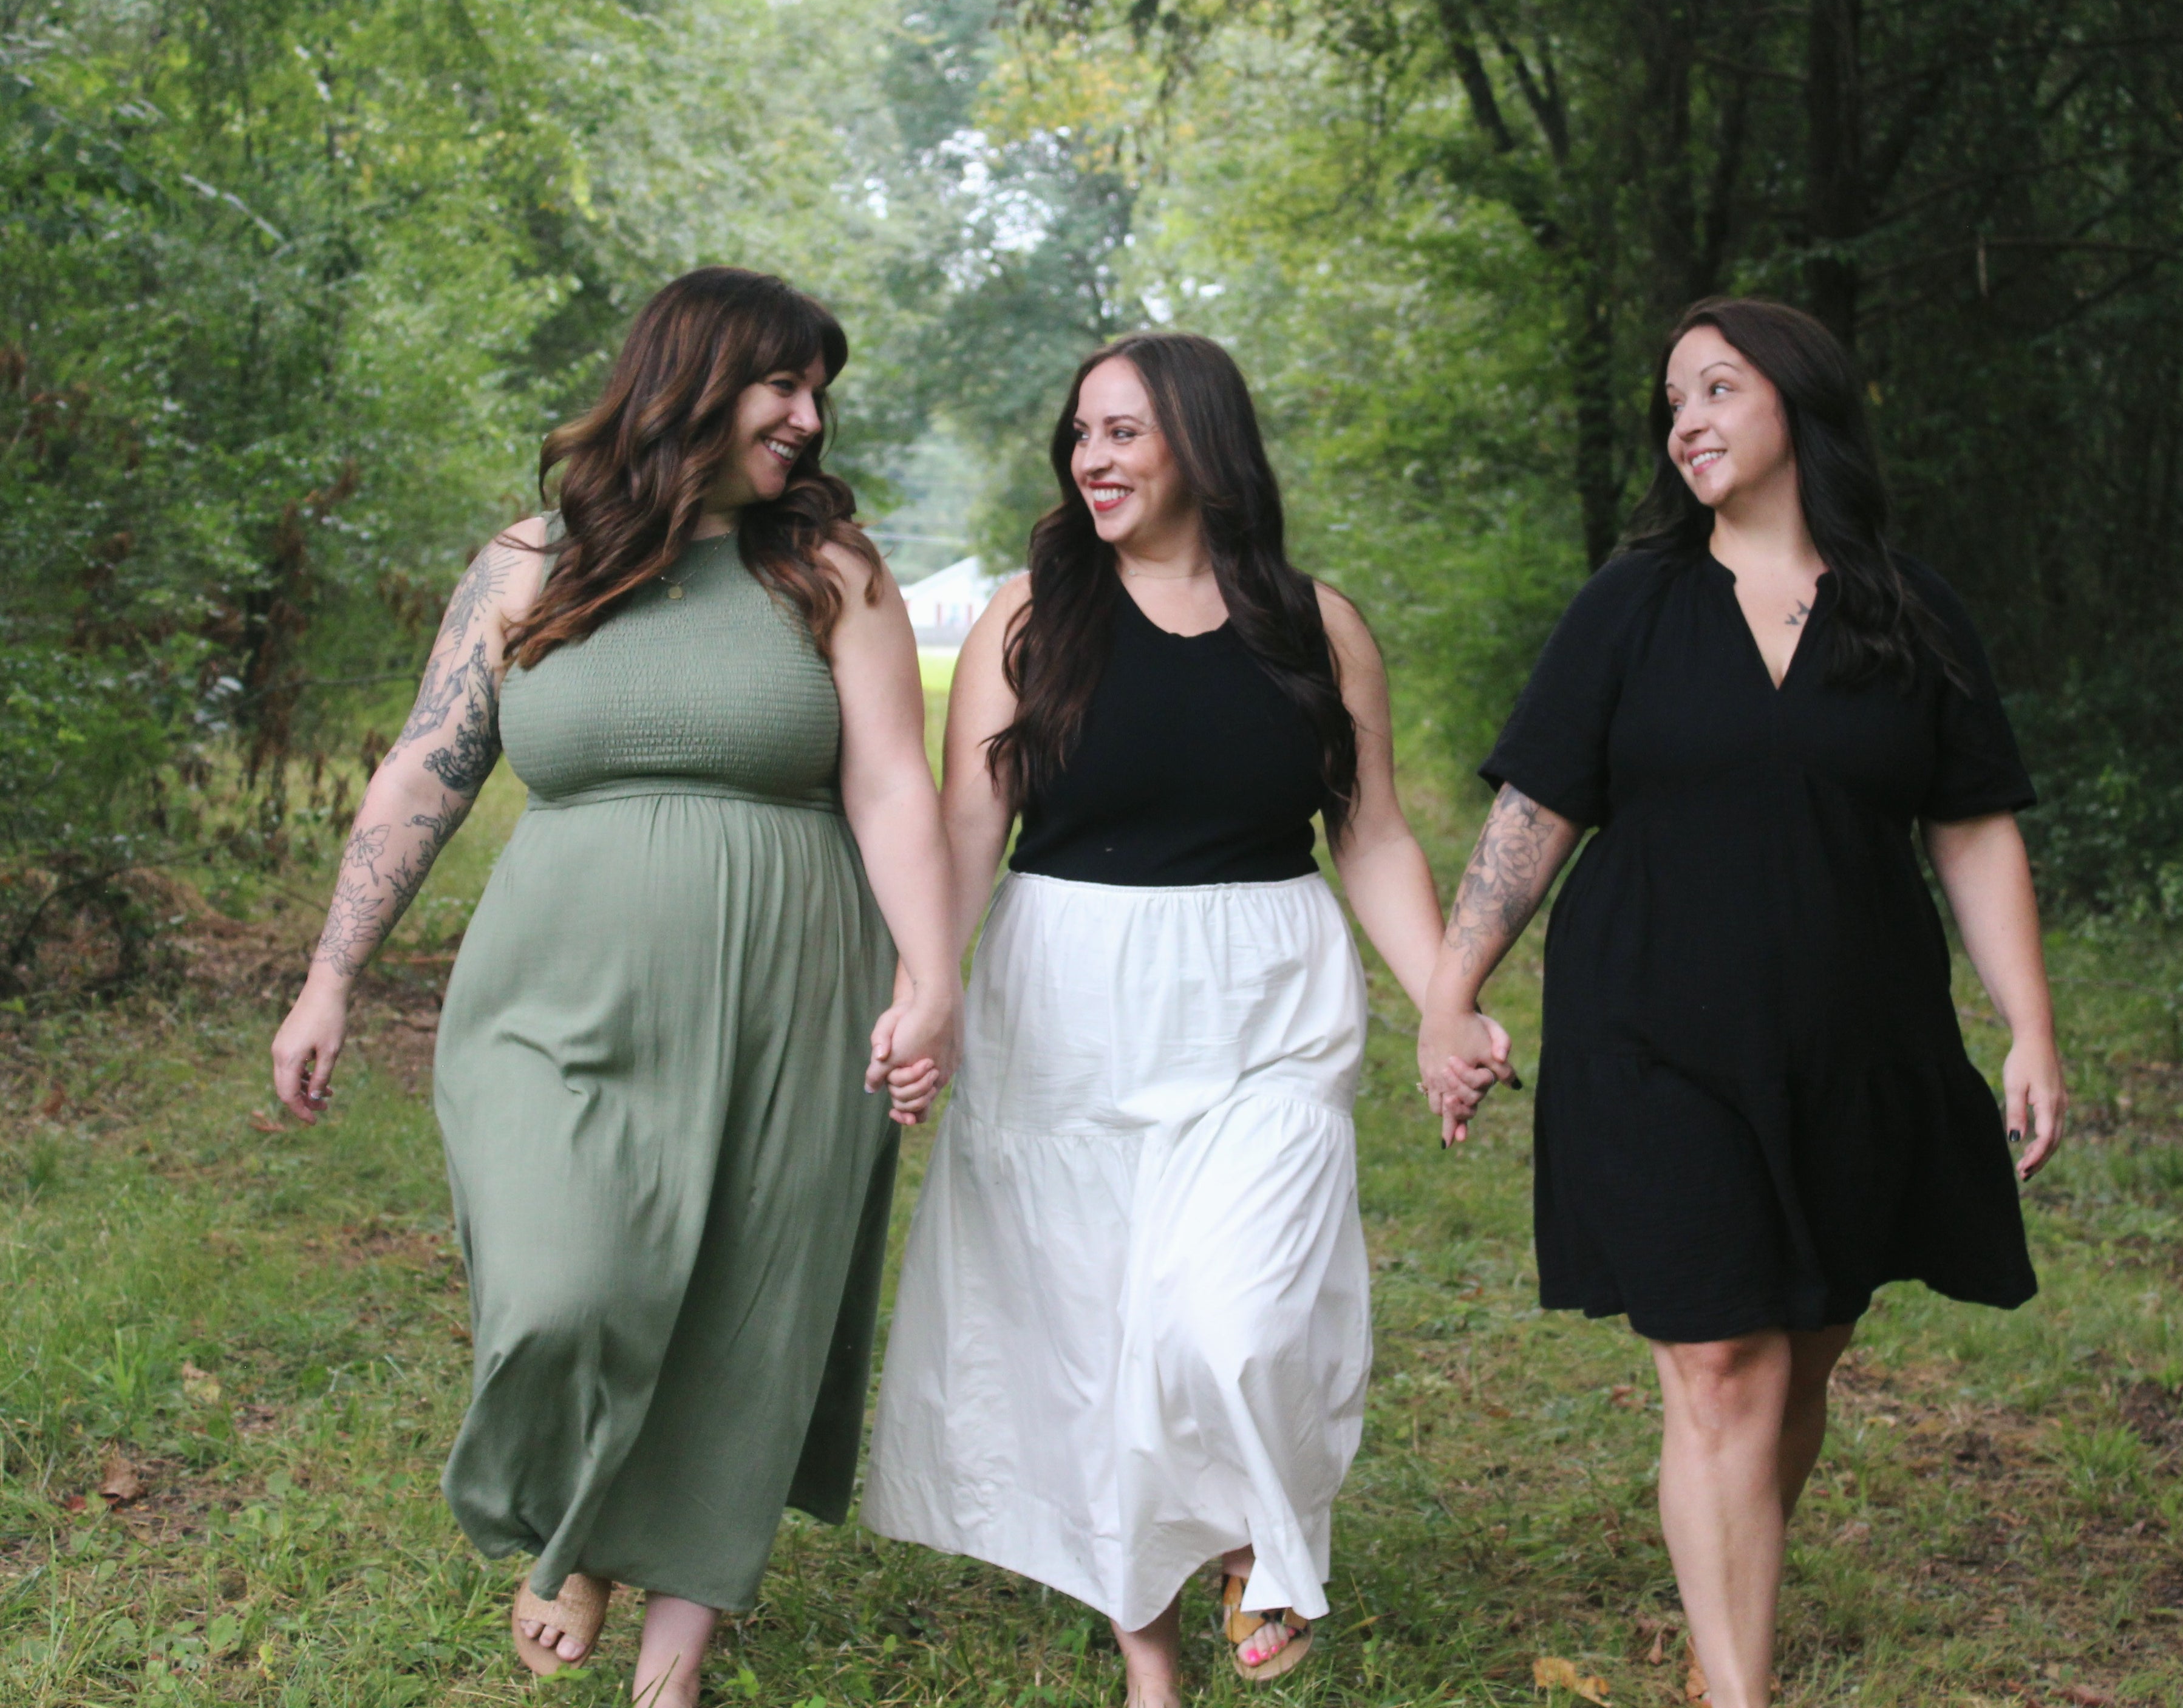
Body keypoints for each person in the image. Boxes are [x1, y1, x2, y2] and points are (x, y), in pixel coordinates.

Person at [267, 267, 960, 1708]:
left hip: (790, 983)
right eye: (784, 385)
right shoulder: (530, 560)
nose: (809, 417)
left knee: (746, 1300)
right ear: (695, 379)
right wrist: (331, 975)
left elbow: (896, 785)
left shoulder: (832, 569)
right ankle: (570, 1516)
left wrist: (931, 976)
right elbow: (426, 767)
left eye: (819, 390)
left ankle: (675, 1659)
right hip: (548, 989)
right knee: (563, 1288)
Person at [1418, 298, 2069, 1708]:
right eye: (1674, 400)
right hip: (1652, 1030)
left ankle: (1729, 1624)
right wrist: (1448, 992)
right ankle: (1740, 1691)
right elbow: (1539, 809)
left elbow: (1971, 826)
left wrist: (2030, 1022)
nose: (1688, 420)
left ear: (1800, 399)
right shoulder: (1633, 605)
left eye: (1717, 388)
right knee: (1719, 1359)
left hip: (1856, 1038)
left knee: (1805, 1347)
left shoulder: (1909, 606)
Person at [859, 332, 1463, 1707]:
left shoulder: (1319, 625)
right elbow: (971, 820)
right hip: (1065, 1003)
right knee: (1090, 1334)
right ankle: (1149, 1655)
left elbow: (1368, 837)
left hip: (1265, 997)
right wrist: (928, 986)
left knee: (1231, 1320)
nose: (1093, 457)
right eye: (1081, 434)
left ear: (1203, 440)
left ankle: (1263, 1529)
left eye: (1124, 430)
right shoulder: (1034, 617)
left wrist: (1443, 998)